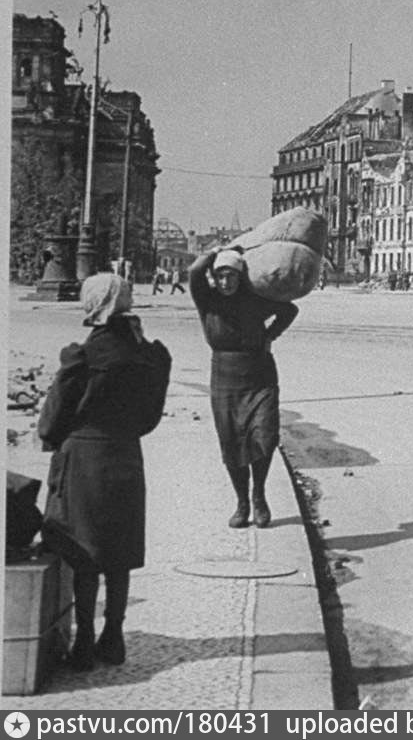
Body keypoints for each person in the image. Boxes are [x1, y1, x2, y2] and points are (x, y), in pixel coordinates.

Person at [37, 273, 172, 671]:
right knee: (119, 552)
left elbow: (50, 422)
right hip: (126, 456)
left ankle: (84, 642)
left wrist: (59, 436)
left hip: (84, 460)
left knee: (84, 553)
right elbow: (150, 418)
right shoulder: (150, 356)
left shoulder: (82, 356)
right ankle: (114, 639)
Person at [189, 247, 298, 529]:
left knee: (264, 435)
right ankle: (242, 503)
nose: (226, 283)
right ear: (214, 277)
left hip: (260, 373)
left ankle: (259, 494)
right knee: (231, 441)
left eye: (231, 276)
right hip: (225, 376)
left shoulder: (255, 299)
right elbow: (194, 272)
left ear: (240, 277)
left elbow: (289, 309)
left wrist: (271, 335)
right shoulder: (207, 299)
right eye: (220, 277)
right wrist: (216, 252)